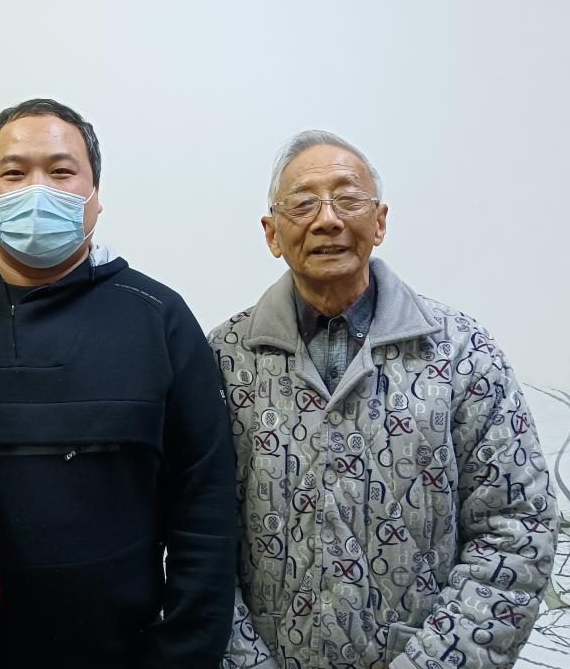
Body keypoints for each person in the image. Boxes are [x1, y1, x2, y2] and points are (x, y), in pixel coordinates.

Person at [0, 98, 236, 668]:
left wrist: (185, 653)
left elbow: (206, 504)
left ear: (96, 193)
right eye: (14, 173)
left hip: (123, 655)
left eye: (61, 171)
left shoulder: (158, 319)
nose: (37, 190)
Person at [208, 130, 555, 669]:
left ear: (380, 222)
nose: (327, 219)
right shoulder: (225, 359)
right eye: (303, 203)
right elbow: (195, 536)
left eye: (348, 199)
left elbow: (516, 527)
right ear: (272, 233)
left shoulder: (461, 352)